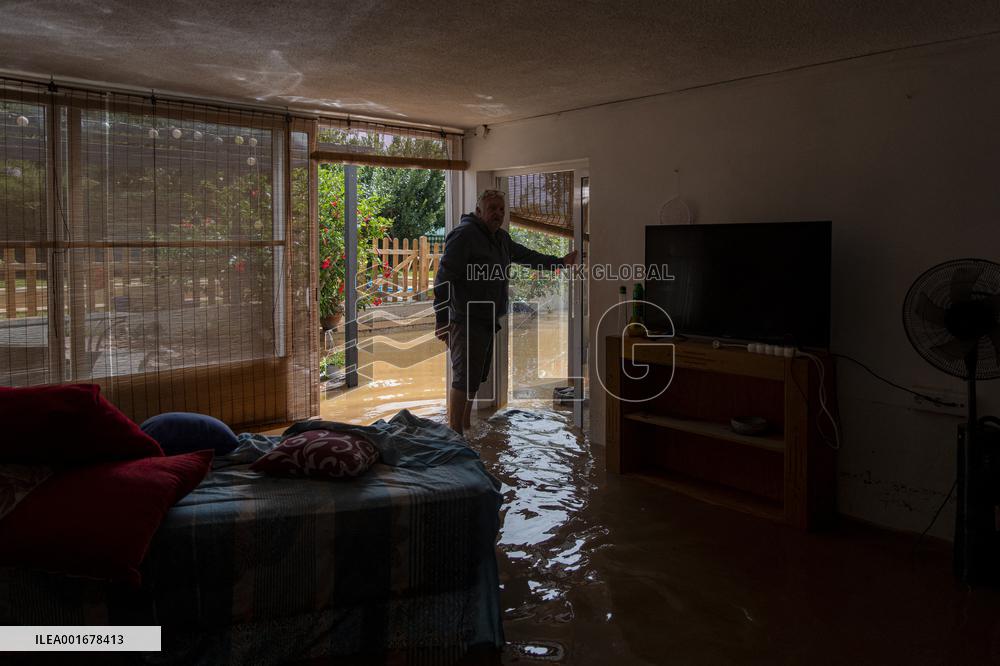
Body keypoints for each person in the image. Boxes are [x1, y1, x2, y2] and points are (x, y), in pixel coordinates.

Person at [433, 189, 577, 436]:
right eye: (492, 208)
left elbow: (527, 257)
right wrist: (442, 320)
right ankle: (454, 434)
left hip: (487, 319)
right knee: (463, 378)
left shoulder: (500, 238)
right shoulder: (464, 235)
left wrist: (560, 262)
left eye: (501, 209)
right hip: (465, 319)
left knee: (474, 378)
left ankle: (466, 425)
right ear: (479, 211)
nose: (498, 214)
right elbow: (443, 279)